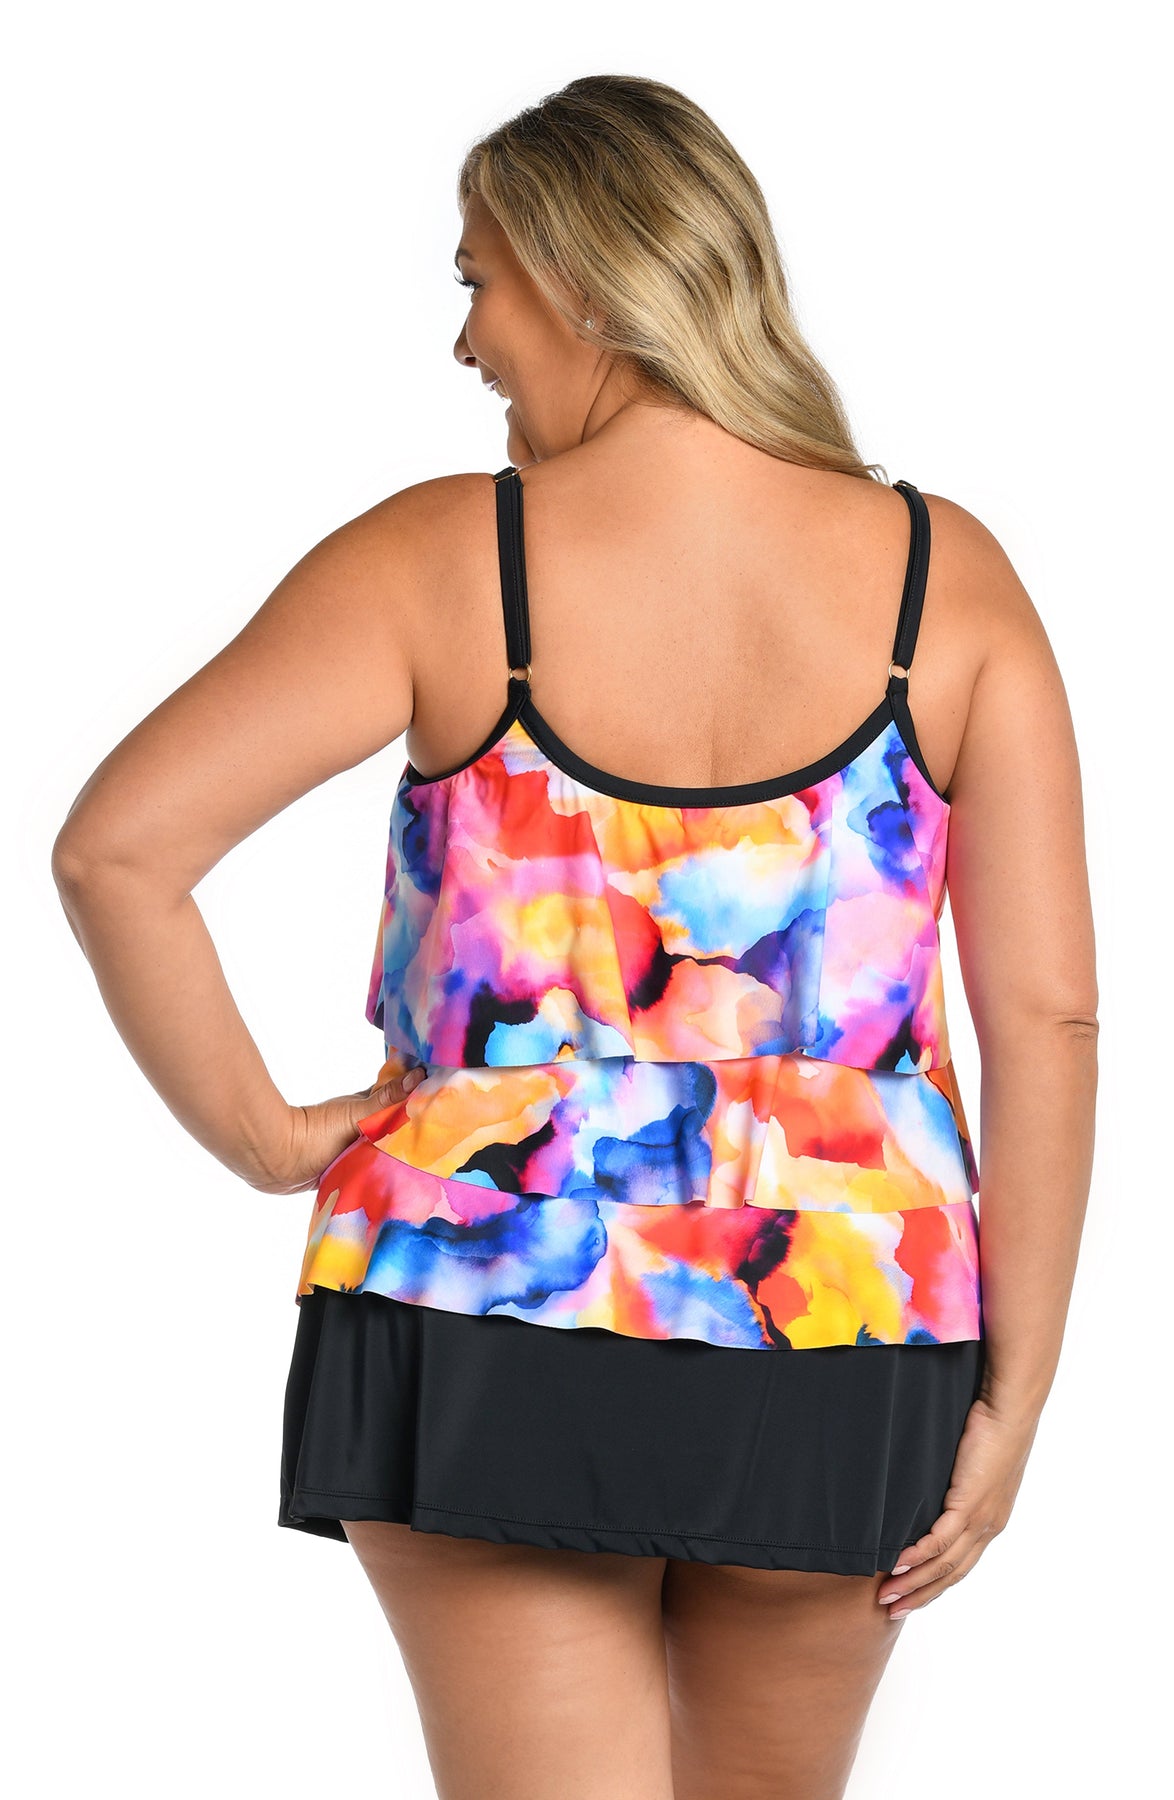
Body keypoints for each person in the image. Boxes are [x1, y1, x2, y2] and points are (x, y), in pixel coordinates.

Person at [52, 73, 1097, 1800]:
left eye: (478, 279)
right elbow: (1046, 1017)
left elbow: (117, 851)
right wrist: (1018, 1391)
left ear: (586, 279)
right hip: (844, 1311)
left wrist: (267, 1139)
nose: (466, 337)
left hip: (485, 1287)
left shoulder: (447, 557)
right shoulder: (946, 577)